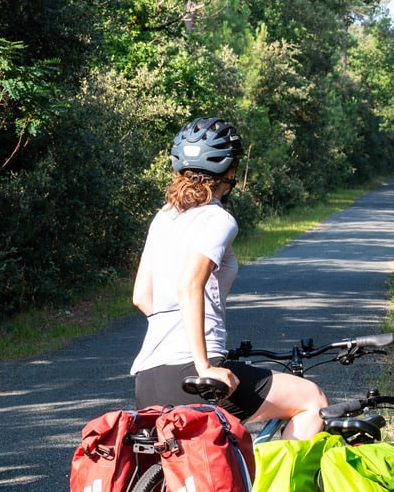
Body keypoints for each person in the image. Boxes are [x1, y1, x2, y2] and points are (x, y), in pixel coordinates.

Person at [130, 115, 326, 433]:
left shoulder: (164, 217)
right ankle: (274, 485)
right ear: (230, 171)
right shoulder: (218, 219)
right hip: (192, 374)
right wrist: (204, 364)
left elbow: (142, 296)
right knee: (310, 399)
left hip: (149, 377)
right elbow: (190, 284)